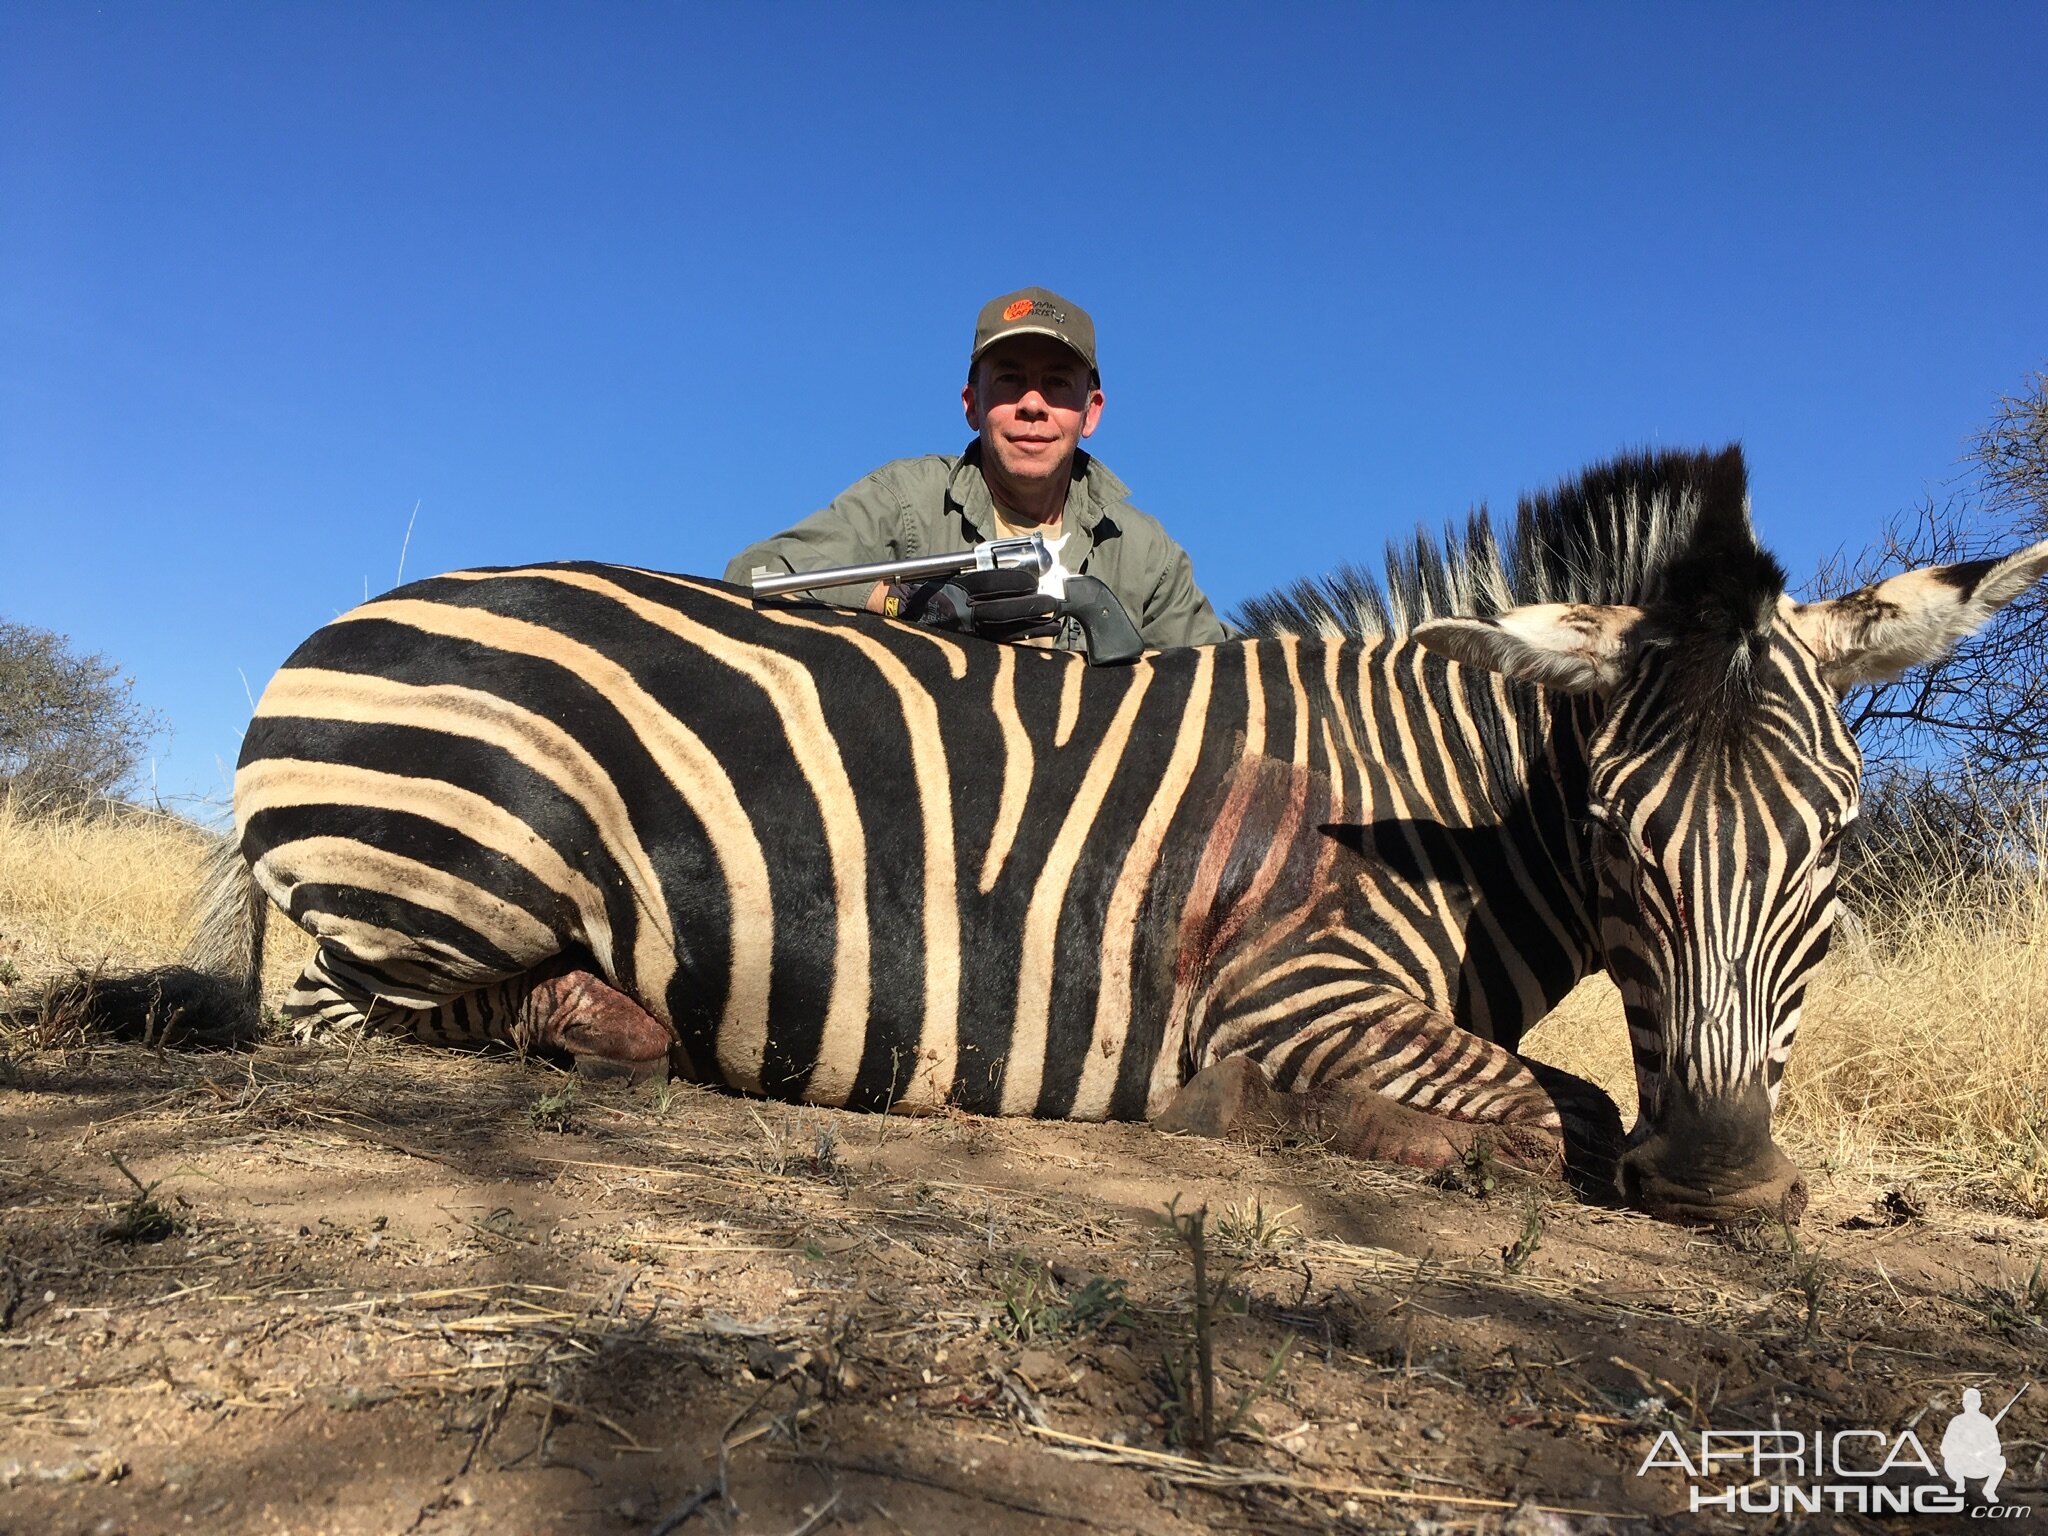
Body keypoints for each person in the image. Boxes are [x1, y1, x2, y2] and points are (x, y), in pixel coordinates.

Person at [726, 286, 1229, 650]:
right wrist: (902, 603)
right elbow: (754, 572)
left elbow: (1223, 672)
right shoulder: (905, 500)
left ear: (1091, 411)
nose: (1032, 404)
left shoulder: (1146, 553)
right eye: (1009, 381)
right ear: (971, 404)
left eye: (1057, 384)